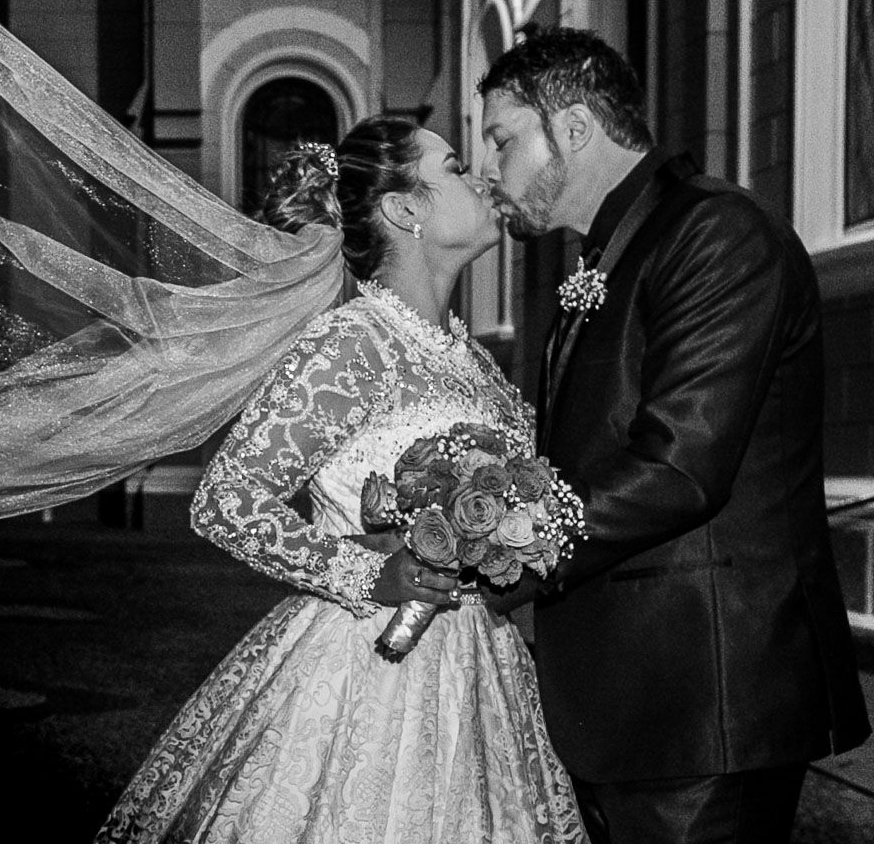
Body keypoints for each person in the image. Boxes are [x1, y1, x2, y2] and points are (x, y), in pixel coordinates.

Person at [97, 117, 584, 844]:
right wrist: (368, 571)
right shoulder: (354, 342)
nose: (480, 178)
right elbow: (228, 500)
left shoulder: (473, 360)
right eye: (453, 167)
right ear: (405, 209)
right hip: (372, 664)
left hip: (483, 666)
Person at [477, 27, 868, 844]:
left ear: (574, 128)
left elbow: (681, 465)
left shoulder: (717, 236)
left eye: (502, 138)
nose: (488, 169)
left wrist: (503, 553)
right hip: (635, 700)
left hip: (706, 703)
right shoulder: (616, 251)